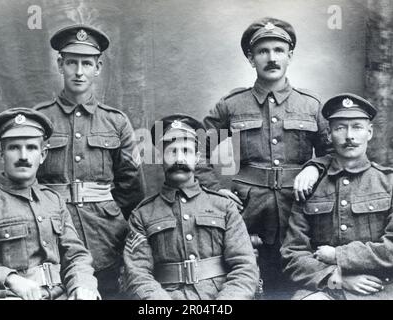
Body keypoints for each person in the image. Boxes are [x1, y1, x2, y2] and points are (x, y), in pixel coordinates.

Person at [197, 17, 331, 298]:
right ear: (251, 58)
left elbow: (335, 154)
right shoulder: (231, 104)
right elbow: (197, 150)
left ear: (290, 56)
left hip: (302, 210)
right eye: (263, 51)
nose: (272, 58)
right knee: (249, 282)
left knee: (300, 285)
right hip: (249, 212)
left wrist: (315, 166)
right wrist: (215, 188)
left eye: (279, 50)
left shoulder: (311, 104)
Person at [33, 25, 145, 299]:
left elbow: (131, 186)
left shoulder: (116, 121)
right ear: (60, 65)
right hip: (51, 233)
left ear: (98, 67)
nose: (79, 71)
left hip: (105, 235)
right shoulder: (40, 119)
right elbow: (25, 181)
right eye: (72, 62)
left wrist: (121, 230)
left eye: (87, 63)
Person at [123, 114, 258, 300]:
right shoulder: (142, 214)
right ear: (161, 157)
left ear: (197, 158)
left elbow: (244, 267)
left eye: (186, 151)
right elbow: (138, 275)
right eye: (172, 152)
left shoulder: (223, 207)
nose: (179, 158)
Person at [281, 93, 393, 300]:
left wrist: (338, 255)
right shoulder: (310, 186)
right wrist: (335, 276)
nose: (349, 136)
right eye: (340, 128)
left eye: (357, 127)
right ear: (330, 135)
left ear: (369, 132)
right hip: (325, 287)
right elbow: (293, 254)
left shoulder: (388, 183)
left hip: (380, 289)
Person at [0, 107, 99, 300]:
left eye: (31, 147)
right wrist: (9, 278)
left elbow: (76, 255)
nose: (23, 156)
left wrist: (82, 285)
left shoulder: (54, 201)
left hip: (60, 294)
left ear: (42, 155)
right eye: (14, 147)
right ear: (1, 154)